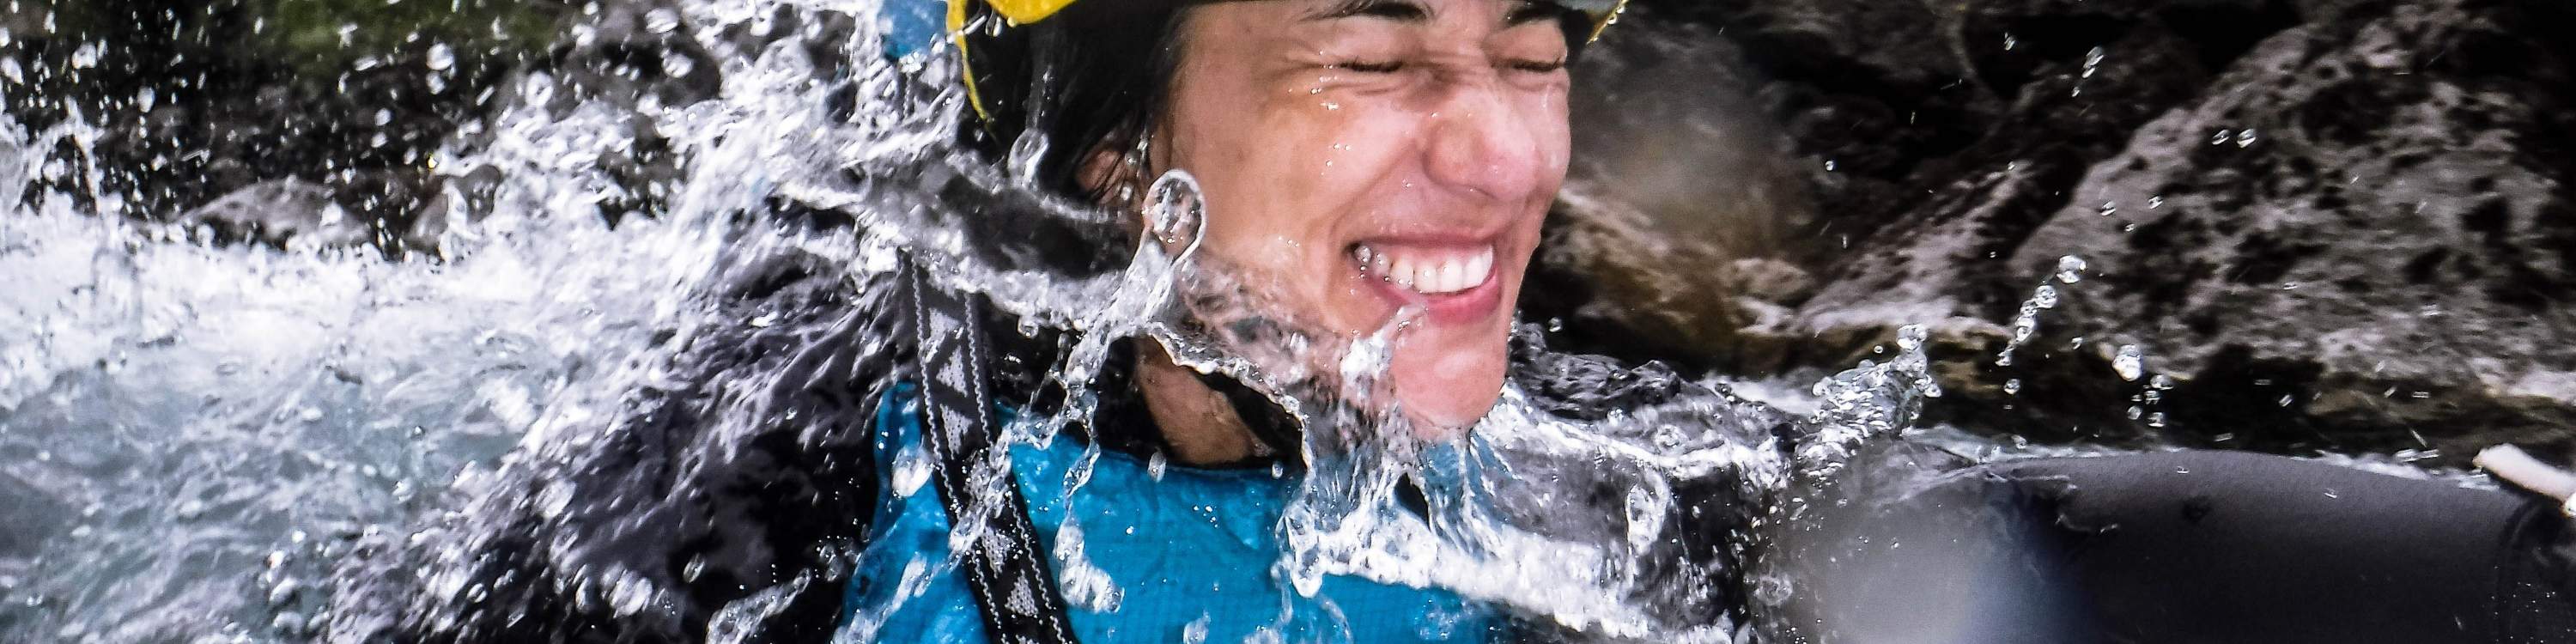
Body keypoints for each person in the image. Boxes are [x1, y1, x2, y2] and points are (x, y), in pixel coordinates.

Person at [362, 0, 2576, 641]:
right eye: (1374, 58)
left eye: (1531, 53)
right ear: (1112, 149)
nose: (1510, 156)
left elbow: (2012, 547)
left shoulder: (1548, 485)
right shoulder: (753, 483)